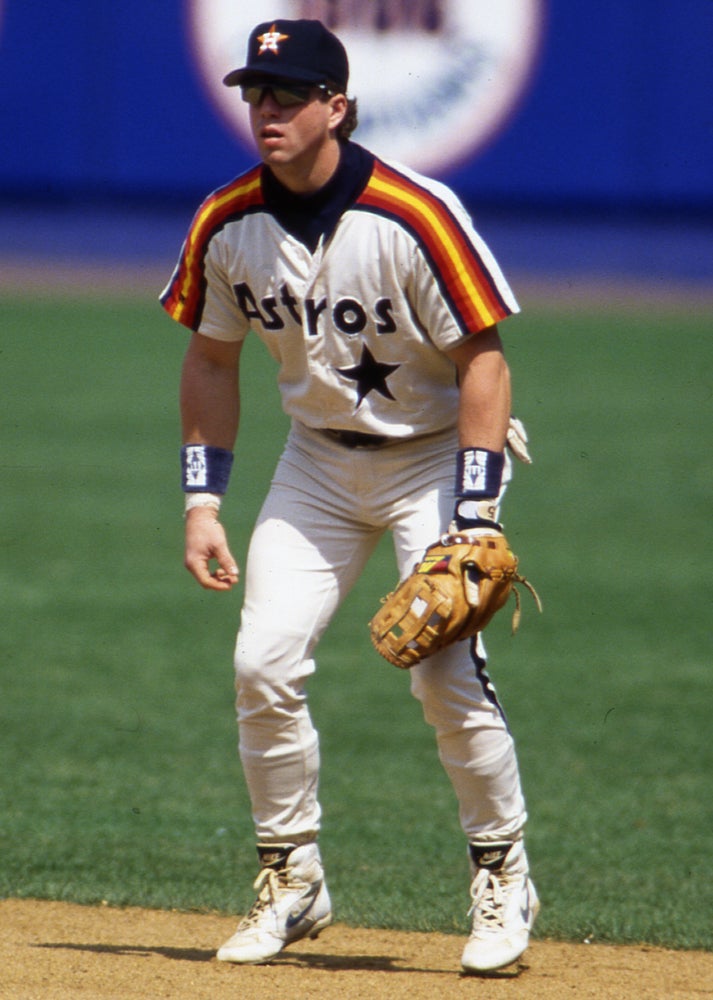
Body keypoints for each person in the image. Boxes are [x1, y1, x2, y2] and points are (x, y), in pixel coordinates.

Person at [160, 17, 539, 974]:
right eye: (256, 93)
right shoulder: (226, 220)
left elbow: (483, 361)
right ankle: (293, 881)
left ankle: (502, 875)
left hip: (428, 455)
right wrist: (202, 503)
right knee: (261, 665)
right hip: (316, 466)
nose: (267, 110)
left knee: (444, 675)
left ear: (338, 106)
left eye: (288, 95)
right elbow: (209, 357)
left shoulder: (414, 213)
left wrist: (475, 513)